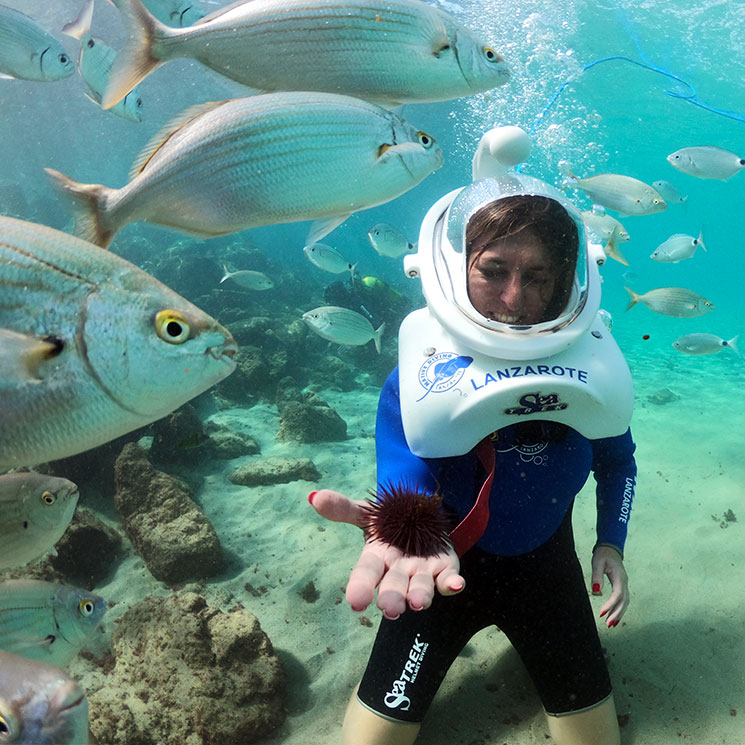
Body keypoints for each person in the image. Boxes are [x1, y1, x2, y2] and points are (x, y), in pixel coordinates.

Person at [310, 173, 636, 745]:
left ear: (568, 282)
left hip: (547, 572)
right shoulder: (414, 381)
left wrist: (610, 540)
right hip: (437, 569)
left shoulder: (596, 377)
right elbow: (406, 482)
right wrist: (402, 535)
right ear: (454, 268)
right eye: (493, 271)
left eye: (539, 277)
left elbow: (618, 463)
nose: (515, 300)